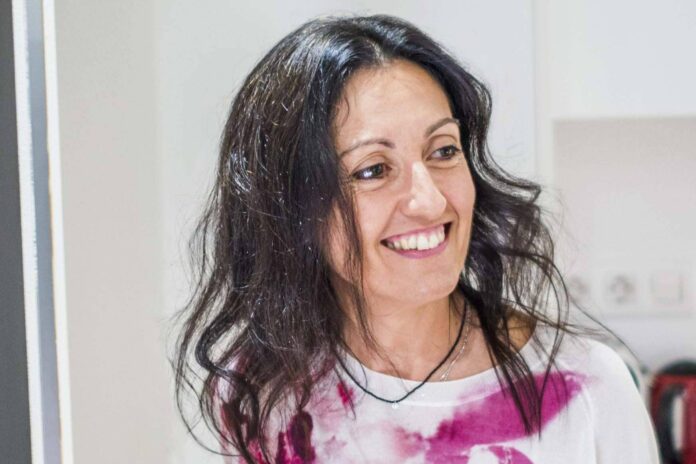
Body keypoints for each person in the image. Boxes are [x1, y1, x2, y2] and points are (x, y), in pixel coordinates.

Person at [173, 14, 660, 463]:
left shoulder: (588, 389)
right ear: (294, 209)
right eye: (373, 170)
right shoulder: (262, 398)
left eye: (443, 150)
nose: (429, 201)